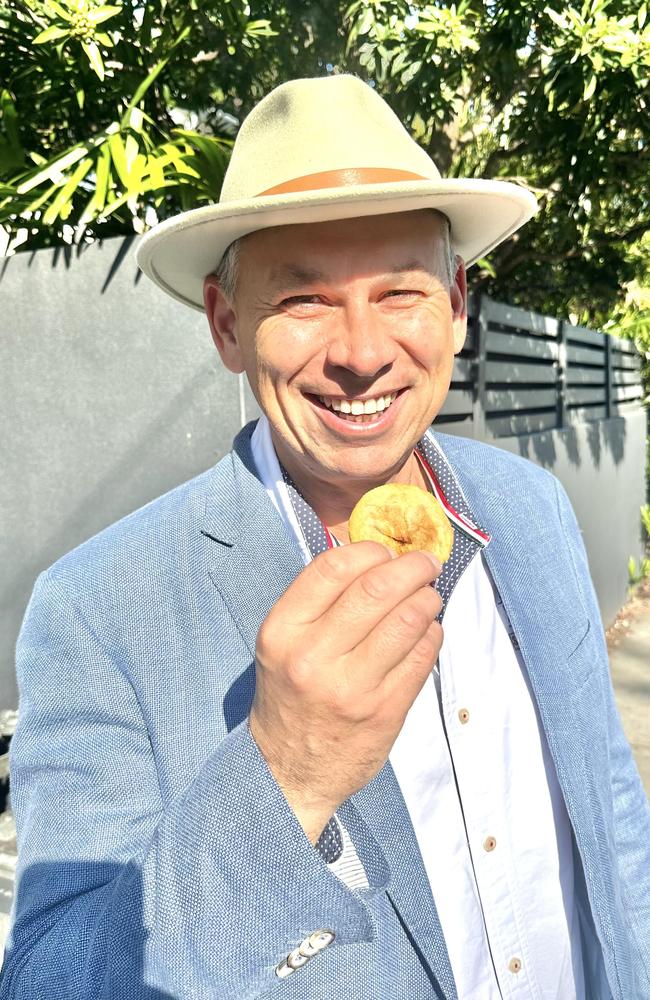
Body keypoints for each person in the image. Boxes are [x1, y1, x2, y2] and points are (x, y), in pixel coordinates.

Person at [1, 74, 648, 1000]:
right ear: (228, 326)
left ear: (458, 306)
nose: (361, 349)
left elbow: (610, 810)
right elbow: (52, 983)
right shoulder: (99, 610)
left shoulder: (532, 508)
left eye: (401, 291)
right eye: (302, 300)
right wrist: (284, 777)